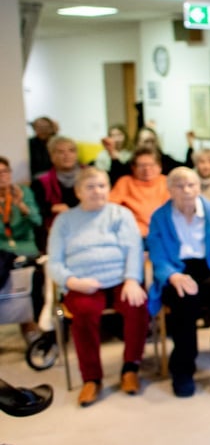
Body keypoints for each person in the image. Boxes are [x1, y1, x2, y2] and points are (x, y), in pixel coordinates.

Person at [45, 167, 148, 407]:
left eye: (102, 186)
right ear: (78, 192)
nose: (97, 191)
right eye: (90, 187)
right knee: (83, 312)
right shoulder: (65, 221)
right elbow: (54, 262)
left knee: (138, 304)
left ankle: (130, 367)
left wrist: (132, 279)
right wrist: (72, 282)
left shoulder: (120, 214)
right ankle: (92, 378)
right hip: (82, 283)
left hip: (121, 279)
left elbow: (134, 249)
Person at [146, 167, 210, 397]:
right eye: (179, 186)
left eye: (191, 185)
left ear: (198, 187)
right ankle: (183, 368)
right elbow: (157, 255)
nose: (186, 190)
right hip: (178, 270)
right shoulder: (160, 217)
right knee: (184, 298)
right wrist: (173, 276)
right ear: (170, 190)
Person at [0, 156, 45, 340]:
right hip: (2, 250)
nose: (2, 176)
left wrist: (21, 205)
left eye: (5, 172)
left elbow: (37, 221)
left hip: (25, 248)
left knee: (36, 277)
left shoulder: (23, 192)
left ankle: (31, 324)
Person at [30, 135, 82, 245]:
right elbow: (37, 209)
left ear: (76, 154)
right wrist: (51, 208)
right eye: (61, 152)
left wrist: (69, 208)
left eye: (71, 151)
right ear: (52, 156)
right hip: (56, 229)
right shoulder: (41, 181)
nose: (67, 155)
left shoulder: (90, 175)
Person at [108, 146, 170, 237]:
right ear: (133, 168)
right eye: (141, 165)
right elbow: (109, 207)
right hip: (133, 235)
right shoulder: (125, 182)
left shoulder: (168, 182)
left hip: (163, 234)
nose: (147, 169)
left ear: (159, 167)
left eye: (151, 165)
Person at [108, 126, 193, 184]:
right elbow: (116, 176)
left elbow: (186, 167)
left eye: (152, 141)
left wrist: (190, 144)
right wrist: (112, 153)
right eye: (146, 142)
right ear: (138, 143)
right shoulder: (133, 161)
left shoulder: (164, 159)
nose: (149, 145)